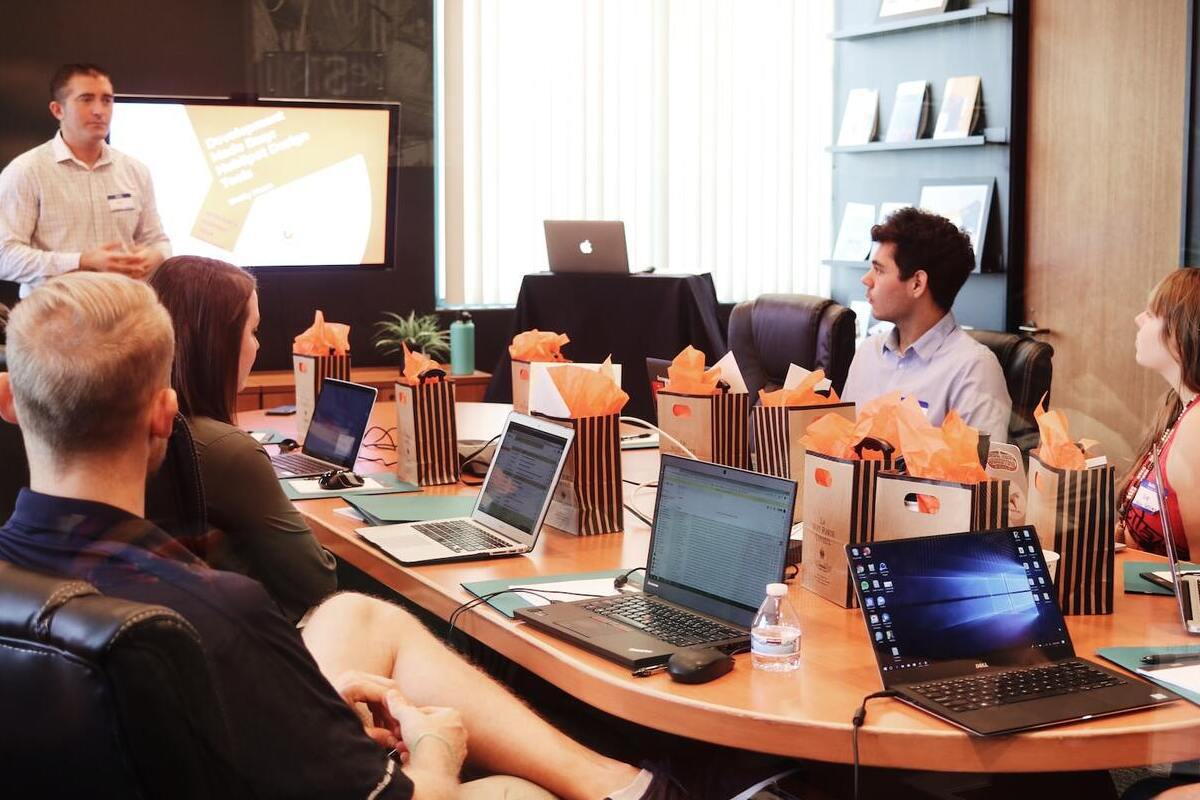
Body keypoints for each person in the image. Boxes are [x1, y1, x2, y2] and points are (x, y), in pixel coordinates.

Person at [0, 272, 678, 800]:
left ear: (10, 401)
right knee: (519, 790)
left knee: (355, 614)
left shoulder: (26, 584)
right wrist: (436, 741)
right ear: (162, 415)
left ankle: (619, 783)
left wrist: (309, 699)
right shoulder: (218, 612)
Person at [147, 255, 336, 622]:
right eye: (252, 331)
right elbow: (319, 584)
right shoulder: (227, 450)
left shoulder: (133, 428)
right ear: (217, 342)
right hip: (258, 643)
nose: (258, 346)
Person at [841, 207, 1011, 444]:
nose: (866, 279)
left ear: (917, 283)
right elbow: (838, 449)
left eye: (879, 270)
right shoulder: (868, 353)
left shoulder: (974, 369)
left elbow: (981, 476)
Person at [0, 63, 170, 297]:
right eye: (86, 99)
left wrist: (154, 256)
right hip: (55, 319)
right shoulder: (26, 172)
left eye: (107, 100)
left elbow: (158, 241)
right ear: (58, 110)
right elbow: (4, 258)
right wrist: (81, 261)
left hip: (127, 313)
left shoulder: (135, 170)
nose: (99, 110)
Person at [1119, 267, 1200, 561]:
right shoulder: (1178, 408)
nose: (1138, 319)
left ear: (1180, 334)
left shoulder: (1197, 428)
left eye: (1152, 315)